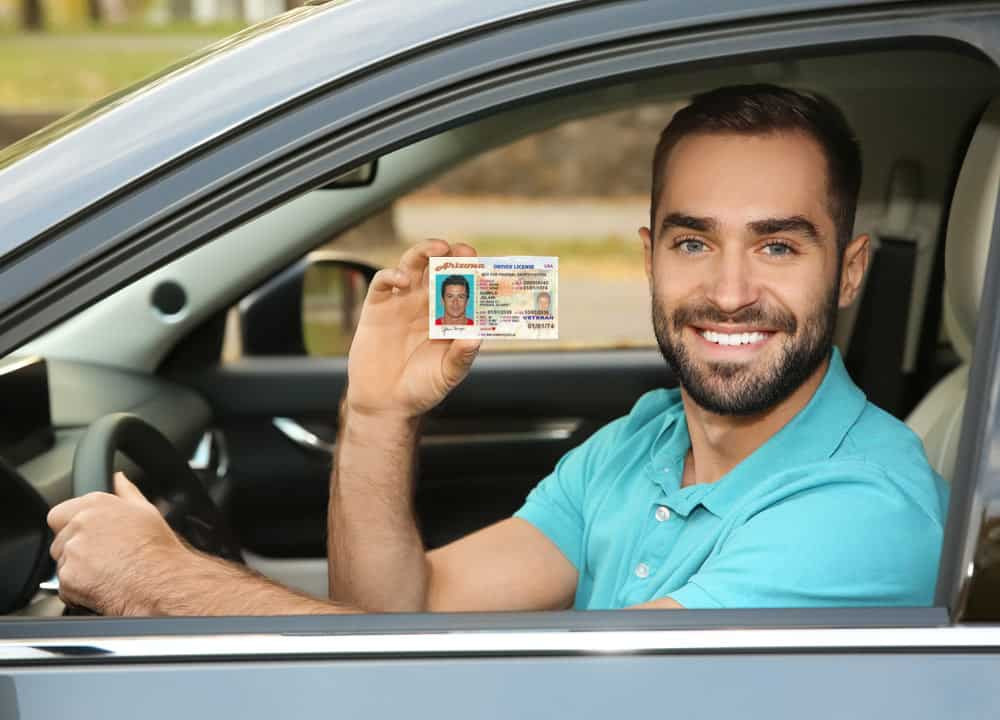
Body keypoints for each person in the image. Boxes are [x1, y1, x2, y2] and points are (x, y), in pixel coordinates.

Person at [46, 84, 947, 616]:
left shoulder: (865, 510)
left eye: (779, 245)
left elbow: (544, 698)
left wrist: (163, 584)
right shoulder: (643, 439)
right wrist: (377, 413)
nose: (729, 290)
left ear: (851, 270)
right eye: (692, 241)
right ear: (649, 256)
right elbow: (410, 616)